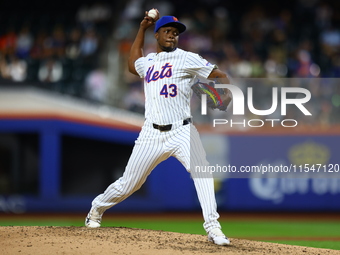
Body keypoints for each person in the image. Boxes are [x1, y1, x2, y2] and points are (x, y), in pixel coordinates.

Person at [85, 9, 232, 246]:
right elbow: (133, 64)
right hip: (151, 133)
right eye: (167, 31)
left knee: (202, 172)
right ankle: (96, 209)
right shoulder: (149, 61)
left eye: (175, 33)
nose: (172, 36)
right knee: (129, 184)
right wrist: (141, 29)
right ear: (157, 35)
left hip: (182, 131)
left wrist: (225, 96)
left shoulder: (187, 58)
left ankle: (213, 228)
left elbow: (220, 74)